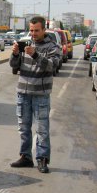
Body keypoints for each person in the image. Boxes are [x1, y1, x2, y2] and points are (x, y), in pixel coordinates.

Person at [9, 16, 61, 173]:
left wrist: (36, 55)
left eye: (36, 30)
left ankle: (42, 159)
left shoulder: (52, 46)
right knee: (23, 128)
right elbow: (13, 66)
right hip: (23, 93)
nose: (33, 33)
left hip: (41, 94)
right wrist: (16, 54)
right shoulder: (25, 43)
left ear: (44, 30)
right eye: (31, 30)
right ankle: (26, 157)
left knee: (42, 129)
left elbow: (52, 66)